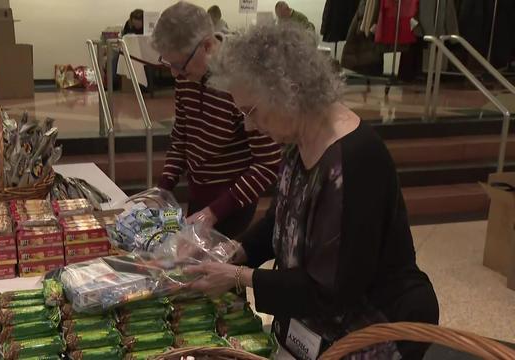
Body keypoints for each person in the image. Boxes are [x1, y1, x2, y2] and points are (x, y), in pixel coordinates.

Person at [186, 24, 439, 360]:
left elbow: (332, 289)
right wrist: (234, 251)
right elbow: (283, 218)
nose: (248, 125)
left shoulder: (355, 160)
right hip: (318, 324)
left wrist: (237, 276)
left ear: (288, 91)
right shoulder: (297, 140)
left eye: (251, 111)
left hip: (374, 326)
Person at [152, 2, 281, 238]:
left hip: (233, 201)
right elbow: (182, 133)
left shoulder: (242, 82)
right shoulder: (187, 76)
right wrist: (163, 188)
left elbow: (268, 162)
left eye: (178, 64)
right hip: (199, 193)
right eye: (168, 63)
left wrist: (214, 211)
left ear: (208, 46)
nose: (174, 73)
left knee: (209, 267)